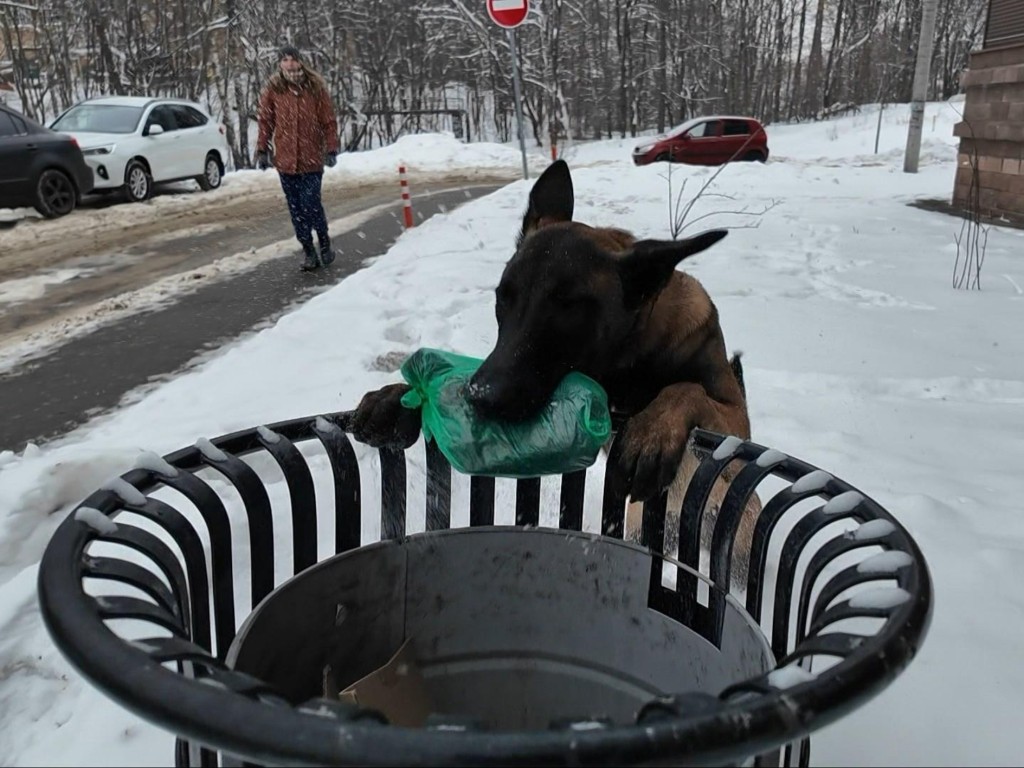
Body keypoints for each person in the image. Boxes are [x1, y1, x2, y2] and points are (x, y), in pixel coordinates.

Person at [255, 45, 340, 272]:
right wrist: (262, 149)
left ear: (300, 61)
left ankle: (324, 242)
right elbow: (265, 121)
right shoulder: (274, 90)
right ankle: (308, 251)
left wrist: (331, 149)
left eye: (293, 59)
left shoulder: (315, 88)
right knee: (296, 210)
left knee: (311, 204)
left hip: (311, 159)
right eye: (285, 60)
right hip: (286, 161)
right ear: (280, 64)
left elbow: (328, 121)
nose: (290, 64)